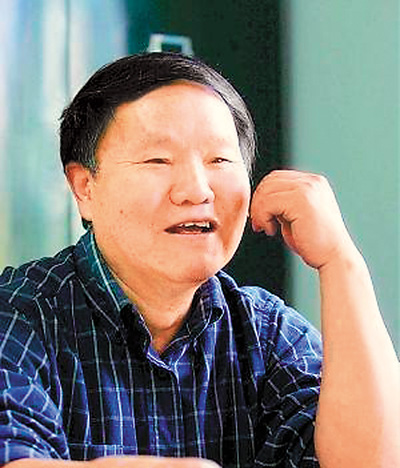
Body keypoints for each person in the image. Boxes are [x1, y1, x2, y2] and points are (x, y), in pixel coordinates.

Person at [0, 53, 398, 468]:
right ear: (85, 187)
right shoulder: (18, 317)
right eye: (158, 160)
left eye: (219, 160)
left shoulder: (267, 333)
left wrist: (341, 262)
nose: (196, 190)